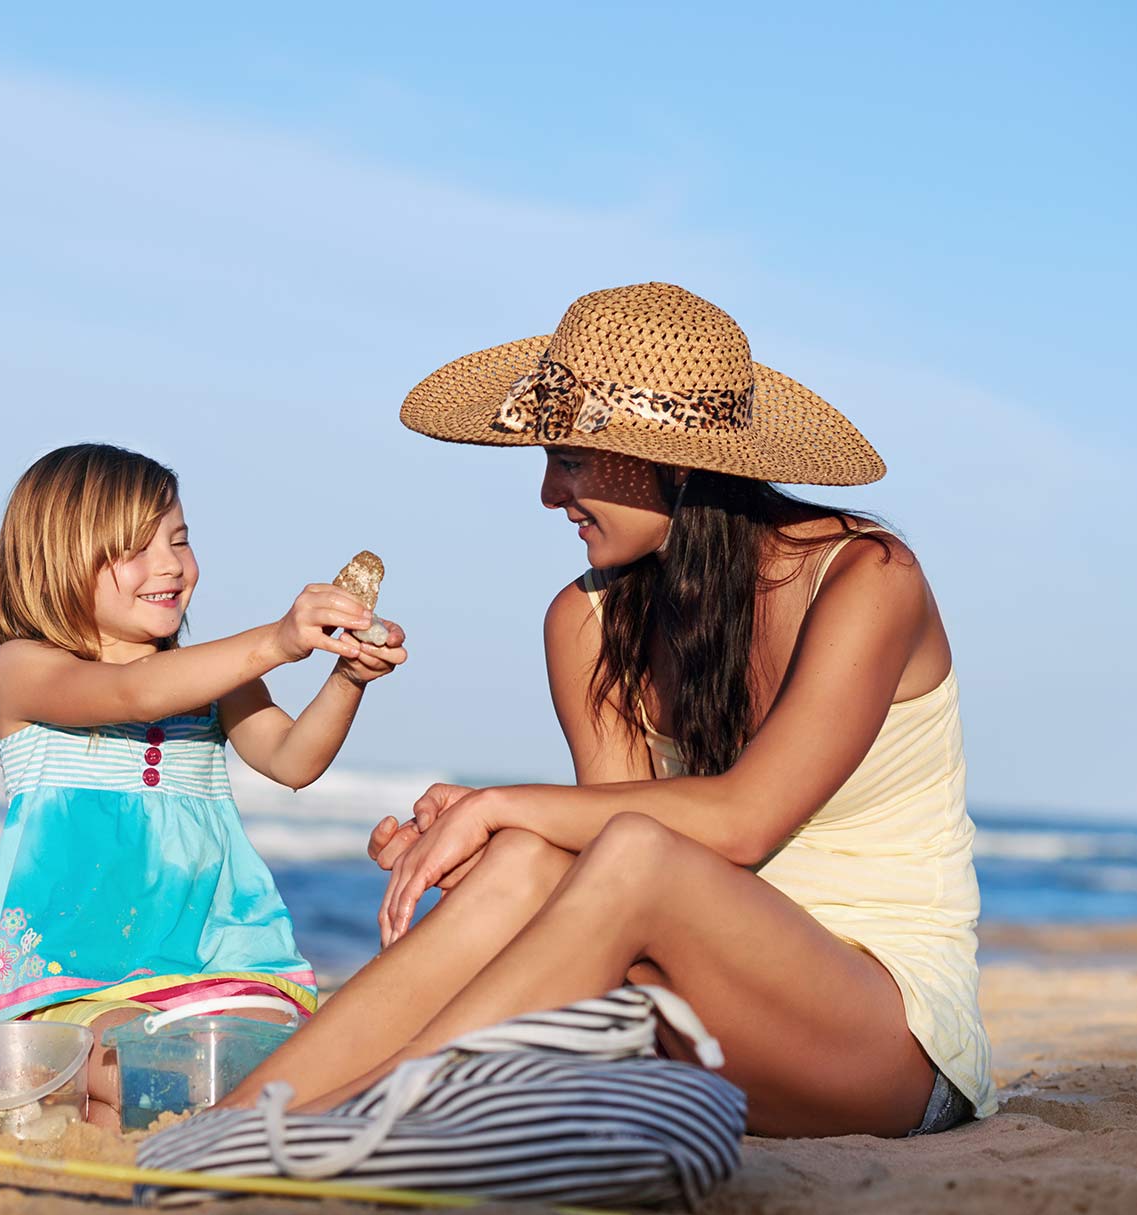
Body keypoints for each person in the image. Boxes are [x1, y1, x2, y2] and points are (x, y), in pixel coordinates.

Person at [224, 282, 993, 1138]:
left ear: (673, 460)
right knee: (527, 856)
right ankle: (236, 1120)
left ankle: (346, 1123)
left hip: (886, 1044)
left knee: (605, 843)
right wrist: (486, 858)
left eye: (573, 459)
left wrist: (499, 803)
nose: (550, 494)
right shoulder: (588, 622)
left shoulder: (867, 578)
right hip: (696, 1020)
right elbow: (607, 885)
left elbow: (739, 823)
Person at [0, 442, 409, 1125]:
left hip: (221, 959)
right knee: (125, 1063)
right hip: (81, 973)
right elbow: (135, 692)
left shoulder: (215, 676)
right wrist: (281, 639)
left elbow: (293, 759)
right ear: (58, 561)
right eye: (137, 548)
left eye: (179, 539)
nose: (170, 564)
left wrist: (347, 677)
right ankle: (87, 1094)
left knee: (259, 1050)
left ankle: (174, 1113)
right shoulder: (23, 666)